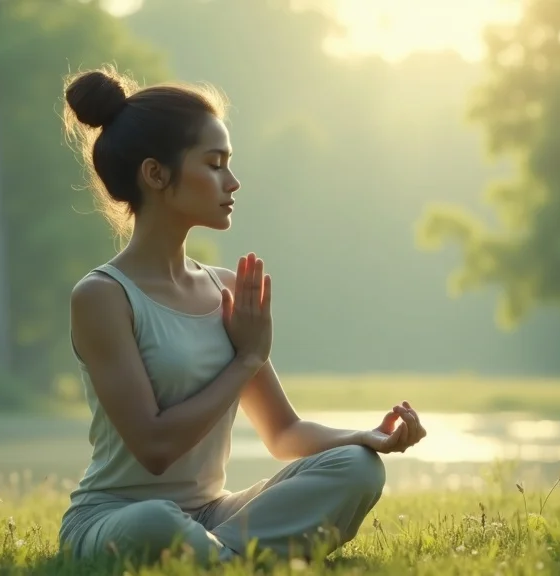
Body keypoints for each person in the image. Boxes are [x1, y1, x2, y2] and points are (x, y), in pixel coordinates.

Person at [56, 65, 427, 567]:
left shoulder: (225, 288)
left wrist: (366, 437)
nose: (233, 181)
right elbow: (155, 446)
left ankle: (216, 559)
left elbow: (284, 434)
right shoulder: (102, 296)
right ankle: (236, 558)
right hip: (118, 519)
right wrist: (246, 358)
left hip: (211, 515)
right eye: (214, 164)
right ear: (155, 173)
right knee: (157, 522)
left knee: (358, 469)